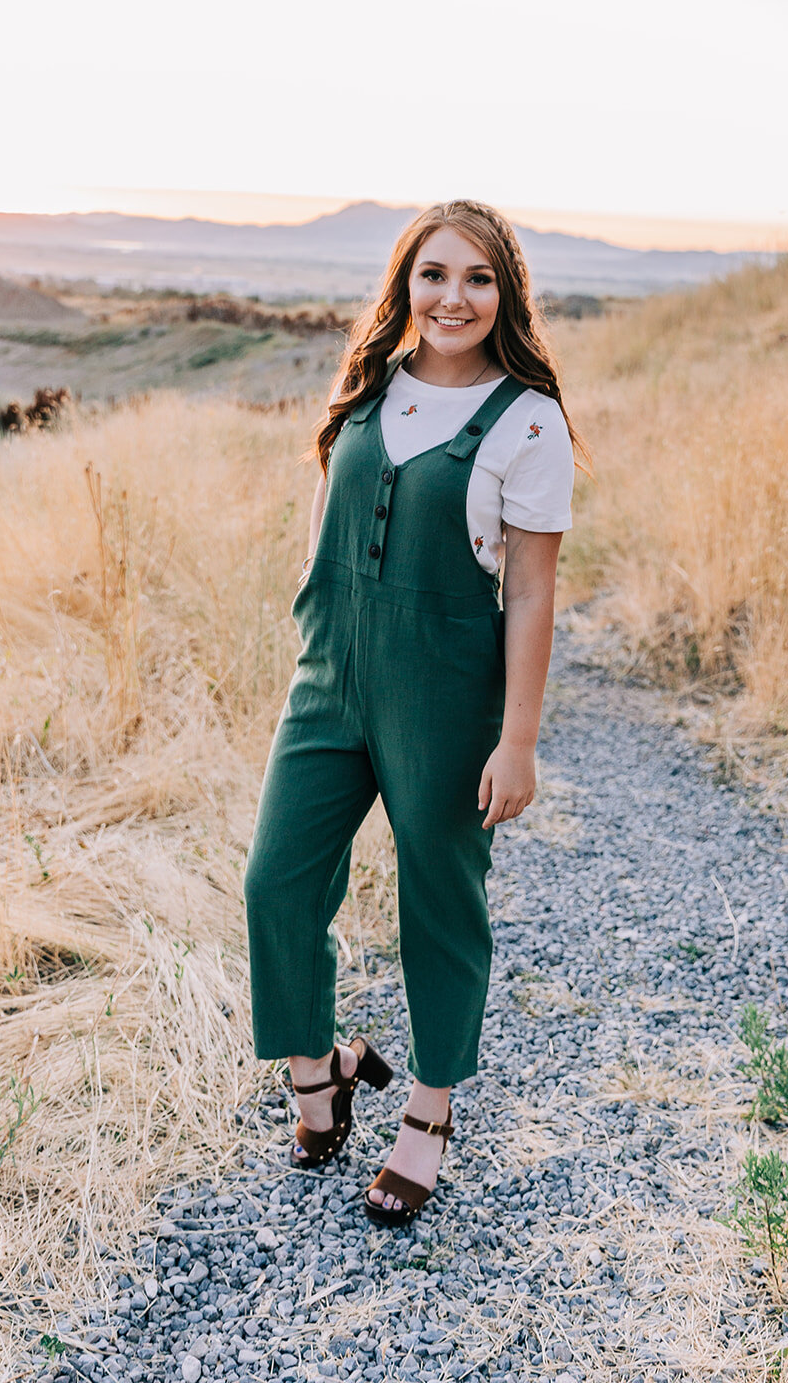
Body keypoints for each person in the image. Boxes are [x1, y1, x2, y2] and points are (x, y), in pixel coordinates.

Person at [242, 198, 588, 1227]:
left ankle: (428, 1112)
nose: (453, 296)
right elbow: (325, 515)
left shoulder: (526, 418)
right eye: (434, 274)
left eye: (478, 278)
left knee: (440, 898)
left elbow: (529, 590)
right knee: (276, 881)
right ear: (404, 284)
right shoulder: (368, 388)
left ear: (505, 295)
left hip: (443, 687)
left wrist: (515, 737)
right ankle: (322, 1070)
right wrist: (318, 628)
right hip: (330, 675)